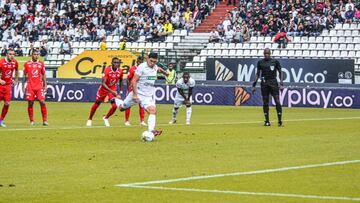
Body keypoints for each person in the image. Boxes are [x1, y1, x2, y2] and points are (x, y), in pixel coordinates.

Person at [115, 52, 168, 136]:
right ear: (147, 59)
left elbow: (159, 69)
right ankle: (116, 100)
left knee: (152, 110)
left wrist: (165, 73)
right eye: (151, 61)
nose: (153, 63)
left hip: (147, 96)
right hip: (137, 93)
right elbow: (134, 81)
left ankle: (151, 131)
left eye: (155, 61)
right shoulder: (141, 67)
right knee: (122, 108)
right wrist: (135, 95)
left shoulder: (155, 66)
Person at [86, 57, 123, 127]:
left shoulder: (120, 71)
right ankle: (90, 119)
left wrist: (120, 92)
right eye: (115, 62)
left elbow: (121, 81)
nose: (116, 64)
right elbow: (103, 83)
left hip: (112, 90)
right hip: (103, 90)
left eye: (117, 62)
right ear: (111, 63)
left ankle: (106, 118)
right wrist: (112, 91)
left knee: (114, 106)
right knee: (97, 103)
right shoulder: (107, 70)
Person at [252, 48, 284, 127]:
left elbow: (280, 72)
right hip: (264, 83)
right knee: (265, 102)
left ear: (270, 54)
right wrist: (254, 85)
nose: (266, 55)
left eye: (268, 53)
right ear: (263, 54)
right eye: (265, 53)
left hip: (273, 82)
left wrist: (281, 82)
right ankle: (267, 121)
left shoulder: (275, 62)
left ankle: (279, 121)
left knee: (277, 101)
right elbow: (257, 74)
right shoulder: (260, 62)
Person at [22, 49, 48, 126]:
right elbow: (24, 75)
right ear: (32, 55)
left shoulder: (41, 64)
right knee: (30, 103)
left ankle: (45, 121)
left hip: (39, 86)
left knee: (42, 102)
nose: (36, 56)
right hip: (30, 86)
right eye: (35, 54)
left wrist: (45, 85)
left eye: (37, 54)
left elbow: (43, 75)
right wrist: (23, 85)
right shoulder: (27, 64)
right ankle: (31, 121)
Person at [124, 56, 146, 126]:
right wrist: (128, 88)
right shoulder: (132, 69)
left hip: (140, 89)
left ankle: (142, 121)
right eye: (139, 62)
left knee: (141, 104)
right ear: (137, 62)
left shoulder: (144, 69)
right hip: (132, 89)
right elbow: (128, 79)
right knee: (128, 105)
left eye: (142, 62)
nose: (140, 63)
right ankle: (127, 121)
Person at [0, 49, 19, 127]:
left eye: (13, 54)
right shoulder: (1, 62)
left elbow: (17, 71)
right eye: (10, 54)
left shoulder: (15, 62)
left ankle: (1, 120)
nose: (12, 56)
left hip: (8, 85)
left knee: (7, 104)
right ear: (7, 54)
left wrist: (16, 80)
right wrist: (0, 80)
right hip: (0, 85)